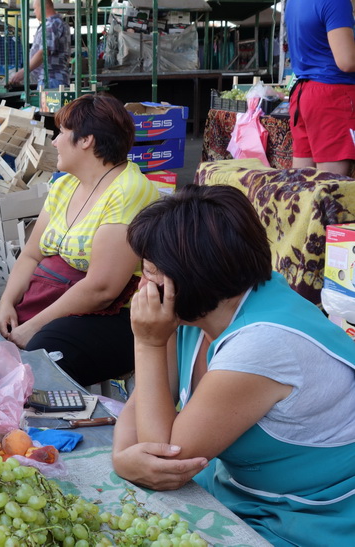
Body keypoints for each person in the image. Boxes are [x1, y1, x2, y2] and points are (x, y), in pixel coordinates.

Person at [113, 184, 355, 545]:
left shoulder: (261, 345)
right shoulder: (202, 311)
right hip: (246, 490)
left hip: (311, 516)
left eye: (150, 272)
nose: (143, 286)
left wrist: (148, 342)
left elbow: (163, 462)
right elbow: (144, 415)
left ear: (192, 277)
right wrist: (122, 458)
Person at [0, 94, 158, 386]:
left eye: (61, 133)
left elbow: (102, 289)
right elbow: (31, 255)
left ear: (86, 139)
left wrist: (32, 327)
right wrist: (7, 304)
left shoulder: (128, 191)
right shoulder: (64, 185)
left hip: (111, 318)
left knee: (32, 366)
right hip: (50, 297)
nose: (54, 142)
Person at [285, 0, 355, 176]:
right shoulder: (336, 2)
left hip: (304, 93)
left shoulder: (293, 2)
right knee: (332, 188)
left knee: (301, 182)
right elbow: (347, 61)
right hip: (331, 94)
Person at [9, 0, 70, 88]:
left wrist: (24, 72)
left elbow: (44, 52)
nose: (34, 12)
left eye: (35, 8)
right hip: (52, 79)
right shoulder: (57, 23)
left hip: (51, 79)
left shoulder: (51, 25)